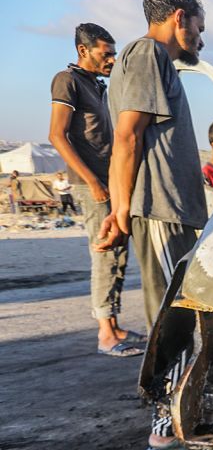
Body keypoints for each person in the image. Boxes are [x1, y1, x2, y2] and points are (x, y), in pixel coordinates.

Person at [96, 0, 209, 450]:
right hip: (160, 207)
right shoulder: (147, 54)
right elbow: (126, 139)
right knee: (173, 319)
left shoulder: (151, 60)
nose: (201, 40)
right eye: (199, 28)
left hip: (170, 208)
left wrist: (118, 210)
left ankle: (183, 418)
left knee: (183, 314)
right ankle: (165, 431)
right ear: (179, 17)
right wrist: (119, 213)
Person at [49, 22, 142, 357]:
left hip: (108, 181)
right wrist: (92, 182)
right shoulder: (68, 80)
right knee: (103, 253)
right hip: (92, 185)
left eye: (114, 53)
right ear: (83, 50)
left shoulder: (96, 85)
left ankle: (114, 324)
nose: (113, 60)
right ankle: (105, 334)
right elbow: (57, 135)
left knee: (118, 251)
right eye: (106, 53)